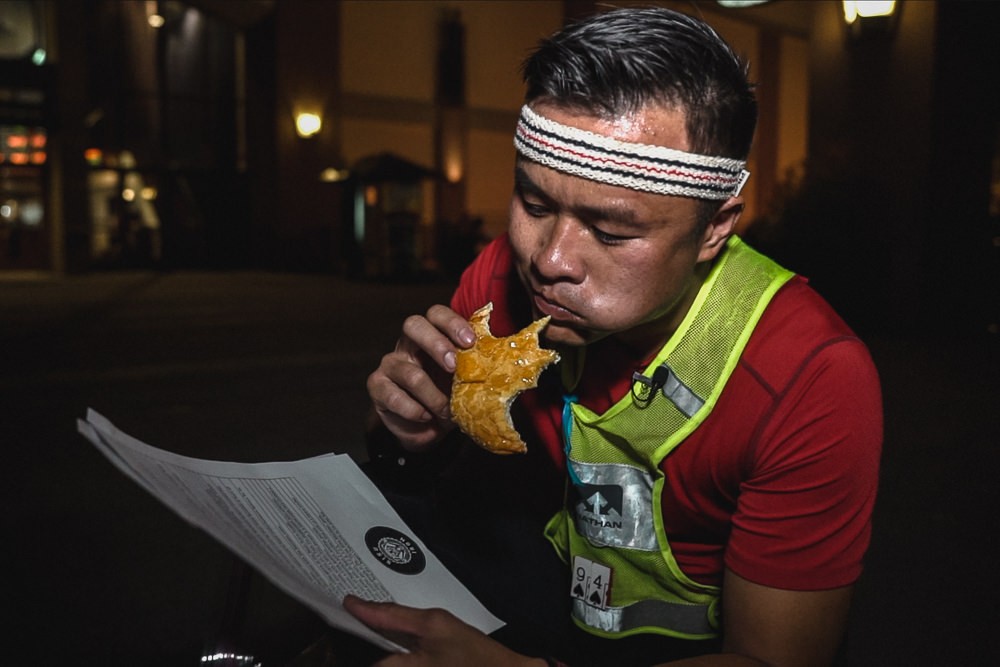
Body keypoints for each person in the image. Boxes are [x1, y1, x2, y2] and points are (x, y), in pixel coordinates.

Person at [350, 6, 882, 667]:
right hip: (540, 591)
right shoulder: (499, 280)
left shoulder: (808, 374)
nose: (550, 260)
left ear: (715, 226)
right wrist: (406, 433)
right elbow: (423, 477)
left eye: (611, 232)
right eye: (535, 204)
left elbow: (773, 658)